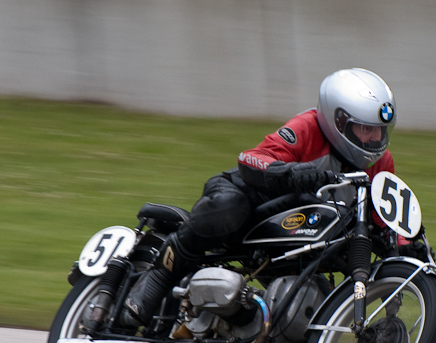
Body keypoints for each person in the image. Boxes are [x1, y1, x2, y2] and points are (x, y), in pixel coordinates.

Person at [120, 68, 398, 328]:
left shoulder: (382, 163)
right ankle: (159, 276)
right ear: (337, 121)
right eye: (365, 129)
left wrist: (405, 245)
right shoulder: (306, 127)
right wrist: (295, 173)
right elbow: (252, 159)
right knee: (227, 208)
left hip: (296, 233)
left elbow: (384, 218)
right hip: (251, 199)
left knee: (315, 311)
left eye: (379, 131)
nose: (374, 139)